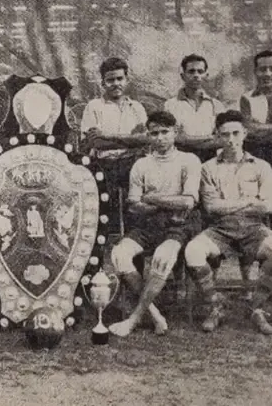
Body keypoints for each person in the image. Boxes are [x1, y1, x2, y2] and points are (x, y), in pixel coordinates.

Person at [184, 110, 272, 335]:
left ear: (245, 134)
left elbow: (268, 207)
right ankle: (216, 305)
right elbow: (212, 207)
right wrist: (249, 201)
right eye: (225, 134)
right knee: (193, 251)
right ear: (217, 136)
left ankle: (256, 307)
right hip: (220, 229)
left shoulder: (261, 166)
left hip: (254, 228)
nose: (230, 140)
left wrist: (230, 204)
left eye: (235, 133)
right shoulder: (208, 168)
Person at [109, 111, 202, 337]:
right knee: (119, 254)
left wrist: (150, 198)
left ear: (175, 132)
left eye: (165, 132)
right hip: (148, 225)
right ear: (148, 135)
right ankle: (155, 314)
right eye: (154, 133)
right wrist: (166, 203)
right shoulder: (141, 164)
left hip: (179, 225)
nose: (160, 138)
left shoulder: (189, 160)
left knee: (162, 256)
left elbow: (187, 202)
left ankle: (133, 319)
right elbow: (133, 205)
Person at [81, 57, 150, 230]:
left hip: (131, 164)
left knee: (135, 209)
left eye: (120, 78)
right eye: (110, 80)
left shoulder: (137, 108)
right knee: (105, 212)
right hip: (104, 164)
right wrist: (131, 141)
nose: (116, 84)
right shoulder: (94, 106)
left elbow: (145, 140)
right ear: (102, 83)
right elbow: (96, 142)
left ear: (127, 80)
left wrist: (109, 137)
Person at [164, 54, 225, 160]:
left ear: (206, 75)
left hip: (210, 159)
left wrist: (188, 141)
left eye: (200, 71)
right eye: (191, 71)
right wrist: (209, 137)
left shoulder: (216, 105)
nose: (196, 75)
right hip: (180, 159)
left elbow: (222, 138)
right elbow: (174, 138)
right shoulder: (170, 105)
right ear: (183, 76)